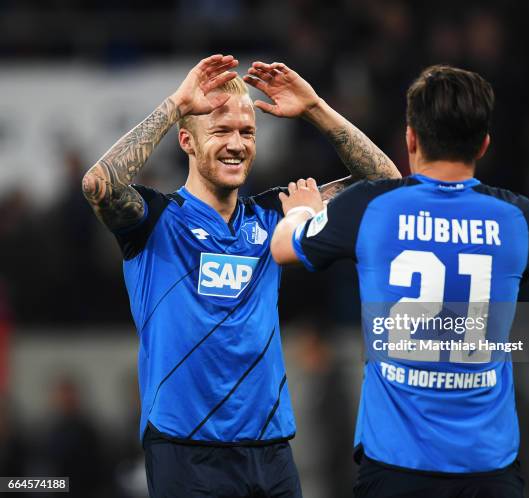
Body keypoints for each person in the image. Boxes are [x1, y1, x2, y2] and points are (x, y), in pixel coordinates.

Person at [82, 54, 400, 498]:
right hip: (185, 447)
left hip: (269, 447)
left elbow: (388, 186)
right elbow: (99, 185)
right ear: (187, 142)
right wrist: (176, 104)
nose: (237, 144)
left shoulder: (274, 215)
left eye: (247, 132)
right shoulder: (156, 220)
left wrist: (315, 109)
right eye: (221, 131)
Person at [270, 64, 529, 498]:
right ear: (485, 143)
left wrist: (303, 209)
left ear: (411, 138)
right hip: (489, 469)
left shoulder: (371, 208)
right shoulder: (519, 218)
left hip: (397, 467)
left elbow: (283, 247)